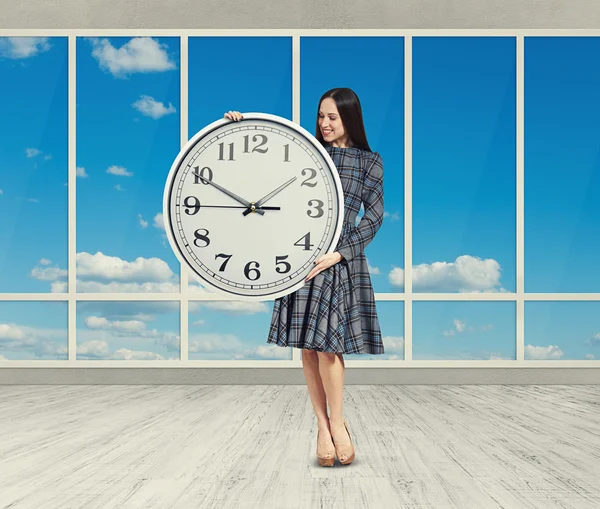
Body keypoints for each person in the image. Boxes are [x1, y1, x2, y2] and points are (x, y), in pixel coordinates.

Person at [224, 87, 385, 467]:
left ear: (349, 118)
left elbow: (374, 217)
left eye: (332, 117)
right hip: (298, 256)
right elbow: (262, 182)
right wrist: (240, 128)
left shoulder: (369, 162)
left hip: (339, 260)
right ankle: (321, 426)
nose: (324, 124)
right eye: (320, 116)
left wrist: (341, 252)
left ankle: (339, 423)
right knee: (308, 346)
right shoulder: (306, 154)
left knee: (329, 346)